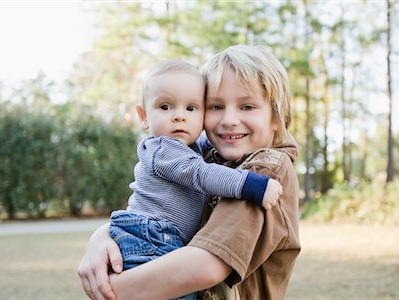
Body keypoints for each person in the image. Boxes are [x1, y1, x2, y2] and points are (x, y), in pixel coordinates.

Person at [78, 45, 301, 300]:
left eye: (247, 107)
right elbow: (154, 210)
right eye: (215, 106)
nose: (229, 119)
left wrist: (112, 290)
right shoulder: (207, 158)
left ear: (277, 116)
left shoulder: (266, 168)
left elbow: (206, 265)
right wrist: (102, 237)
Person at [109, 59, 282, 283]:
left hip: (165, 240)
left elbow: (212, 148)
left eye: (191, 108)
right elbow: (200, 174)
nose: (179, 116)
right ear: (143, 116)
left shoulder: (193, 147)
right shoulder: (162, 149)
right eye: (165, 107)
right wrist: (253, 185)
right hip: (149, 238)